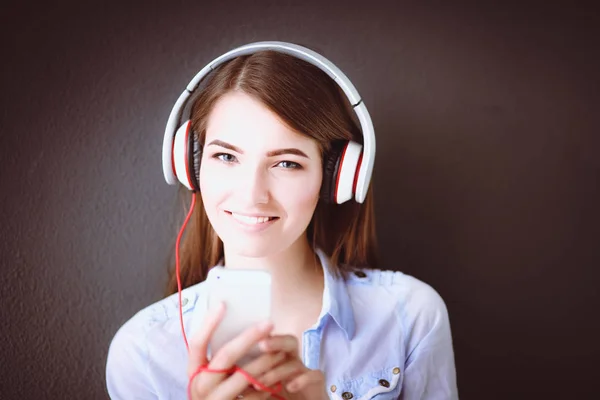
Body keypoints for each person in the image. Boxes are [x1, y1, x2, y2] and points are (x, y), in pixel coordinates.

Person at [106, 42, 458, 400]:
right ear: (191, 166)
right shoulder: (142, 353)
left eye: (287, 163)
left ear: (336, 177)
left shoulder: (410, 317)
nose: (252, 194)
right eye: (226, 156)